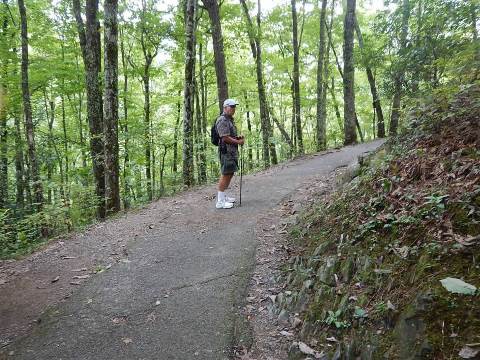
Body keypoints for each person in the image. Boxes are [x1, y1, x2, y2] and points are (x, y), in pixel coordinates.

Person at [215, 98, 245, 209]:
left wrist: (237, 138)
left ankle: (223, 197)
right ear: (225, 107)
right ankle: (220, 202)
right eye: (231, 107)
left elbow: (229, 136)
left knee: (230, 173)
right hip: (226, 152)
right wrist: (238, 142)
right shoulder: (222, 120)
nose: (233, 109)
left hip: (231, 152)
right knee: (226, 174)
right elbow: (224, 137)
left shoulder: (229, 120)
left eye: (234, 107)